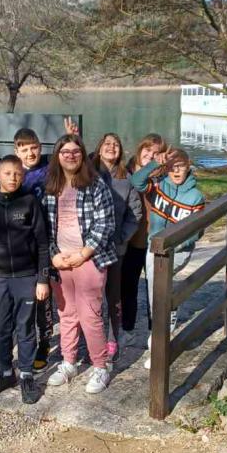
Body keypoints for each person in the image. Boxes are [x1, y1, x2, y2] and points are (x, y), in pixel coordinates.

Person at [43, 133, 117, 394]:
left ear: (83, 155)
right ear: (58, 156)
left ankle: (100, 366)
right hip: (61, 260)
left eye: (76, 151)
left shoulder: (95, 185)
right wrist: (54, 254)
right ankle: (69, 362)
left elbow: (105, 223)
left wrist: (84, 253)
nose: (71, 156)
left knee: (89, 315)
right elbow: (45, 228)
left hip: (90, 258)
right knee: (66, 314)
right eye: (65, 152)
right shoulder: (51, 187)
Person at [0, 156, 50, 404]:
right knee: (0, 327)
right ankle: (6, 372)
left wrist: (42, 279)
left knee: (25, 328)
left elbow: (42, 243)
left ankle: (27, 375)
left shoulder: (30, 202)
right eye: (7, 173)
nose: (13, 178)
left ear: (23, 175)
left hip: (26, 276)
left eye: (17, 173)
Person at [129, 146, 205, 369]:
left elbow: (196, 231)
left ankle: (159, 334)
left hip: (179, 250)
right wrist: (156, 164)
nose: (176, 171)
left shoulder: (196, 196)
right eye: (172, 168)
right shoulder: (160, 185)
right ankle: (165, 319)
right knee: (155, 285)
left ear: (188, 167)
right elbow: (136, 182)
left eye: (180, 167)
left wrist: (174, 244)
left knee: (156, 282)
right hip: (155, 247)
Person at [12, 118, 78, 372]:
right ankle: (23, 341)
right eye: (24, 149)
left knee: (45, 295)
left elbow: (72, 157)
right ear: (17, 151)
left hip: (49, 239)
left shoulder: (51, 167)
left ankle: (45, 342)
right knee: (26, 295)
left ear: (40, 147)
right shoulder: (13, 173)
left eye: (34, 148)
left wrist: (72, 137)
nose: (30, 153)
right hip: (23, 243)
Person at [92, 132, 143, 364]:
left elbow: (135, 213)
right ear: (99, 148)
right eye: (107, 143)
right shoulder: (88, 173)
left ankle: (112, 339)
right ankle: (92, 339)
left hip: (115, 248)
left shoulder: (126, 178)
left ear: (120, 151)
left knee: (113, 297)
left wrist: (122, 238)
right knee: (91, 297)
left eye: (116, 144)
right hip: (90, 249)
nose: (111, 147)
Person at [120, 133, 166, 345]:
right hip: (131, 240)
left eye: (156, 153)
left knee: (154, 290)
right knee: (127, 287)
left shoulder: (162, 177)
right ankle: (127, 328)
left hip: (154, 241)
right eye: (147, 150)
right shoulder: (126, 172)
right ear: (140, 150)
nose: (150, 155)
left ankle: (154, 331)